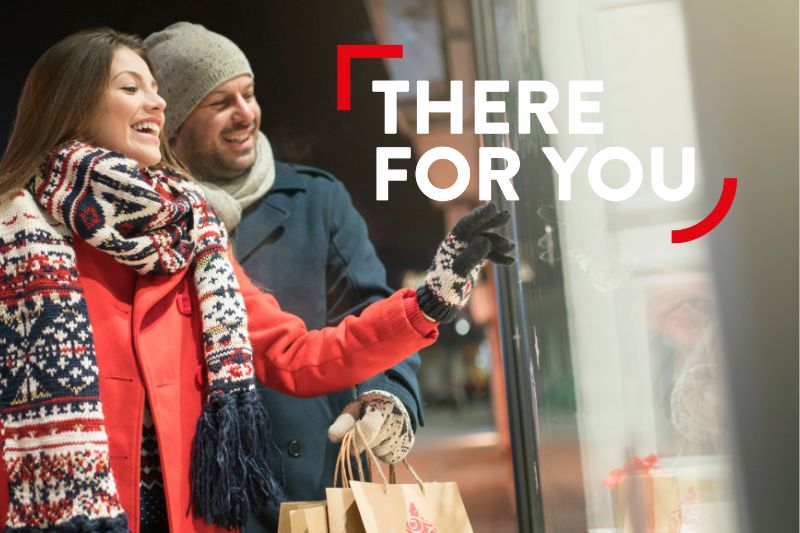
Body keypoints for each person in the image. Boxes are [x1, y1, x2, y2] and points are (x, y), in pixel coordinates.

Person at [0, 28, 514, 533]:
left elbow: (294, 353)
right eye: (131, 88)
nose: (156, 103)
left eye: (155, 89)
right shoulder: (16, 234)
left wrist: (432, 298)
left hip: (201, 512)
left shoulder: (190, 233)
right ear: (70, 106)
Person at [142, 22, 424, 532]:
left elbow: (371, 309)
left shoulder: (318, 200)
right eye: (220, 102)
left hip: (313, 487)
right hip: (199, 498)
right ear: (173, 125)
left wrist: (389, 396)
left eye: (248, 94)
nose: (245, 113)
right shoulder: (145, 224)